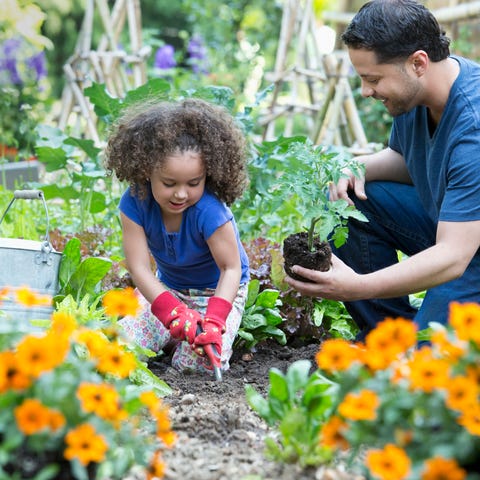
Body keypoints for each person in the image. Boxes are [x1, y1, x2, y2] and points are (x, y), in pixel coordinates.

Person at [285, 0, 480, 340]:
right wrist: (355, 166)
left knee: (428, 373)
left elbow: (454, 256)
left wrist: (357, 286)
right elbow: (415, 160)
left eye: (372, 78)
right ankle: (389, 334)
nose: (366, 91)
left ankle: (413, 345)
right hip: (457, 231)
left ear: (418, 62)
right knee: (349, 198)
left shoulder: (473, 127)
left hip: (464, 252)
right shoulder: (416, 96)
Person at [104, 97, 250, 373]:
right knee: (119, 349)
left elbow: (230, 268)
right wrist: (171, 312)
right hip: (168, 288)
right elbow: (139, 268)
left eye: (194, 183)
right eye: (169, 183)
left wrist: (215, 321)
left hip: (216, 292)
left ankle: (179, 341)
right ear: (147, 172)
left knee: (197, 368)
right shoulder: (135, 202)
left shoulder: (209, 211)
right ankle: (172, 334)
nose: (181, 193)